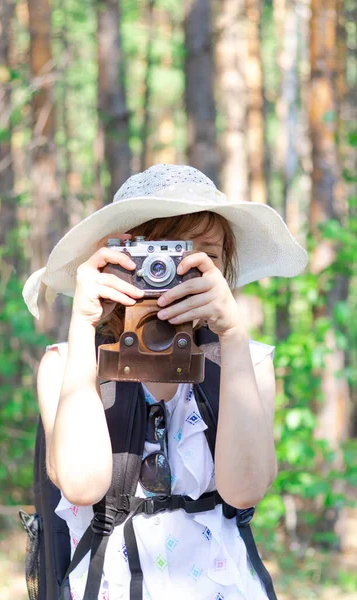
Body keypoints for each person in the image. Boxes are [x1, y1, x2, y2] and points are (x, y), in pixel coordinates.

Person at [23, 164, 308, 600]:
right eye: (160, 256)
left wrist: (232, 334)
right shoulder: (67, 363)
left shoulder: (246, 360)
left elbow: (246, 490)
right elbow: (82, 485)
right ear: (117, 257)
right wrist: (83, 326)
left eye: (203, 259)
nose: (176, 275)